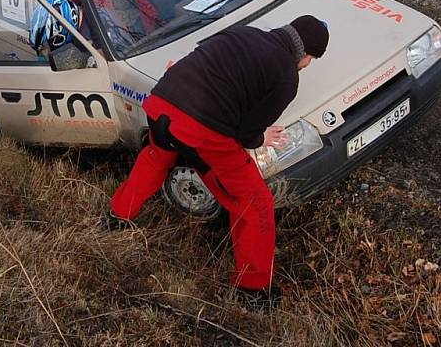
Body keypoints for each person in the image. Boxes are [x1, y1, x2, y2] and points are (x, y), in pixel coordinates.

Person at [102, 15, 330, 307]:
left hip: (161, 106)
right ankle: (253, 291)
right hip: (200, 132)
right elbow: (246, 135)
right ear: (306, 53)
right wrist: (263, 138)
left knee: (156, 158)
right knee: (255, 202)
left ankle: (117, 218)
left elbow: (198, 61)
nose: (308, 65)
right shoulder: (287, 77)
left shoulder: (243, 33)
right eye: (311, 59)